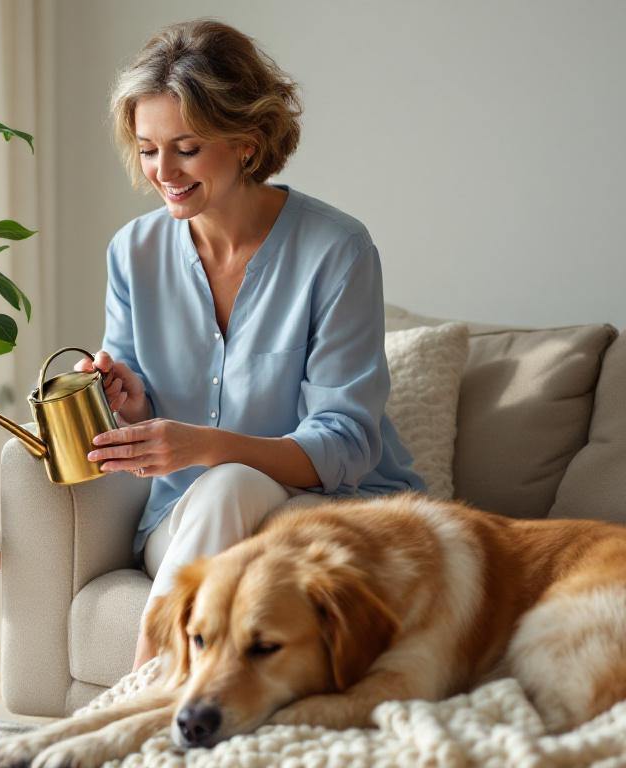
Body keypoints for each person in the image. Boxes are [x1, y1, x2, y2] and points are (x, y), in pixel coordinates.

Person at [73, 20, 426, 671]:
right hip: (186, 522)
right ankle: (164, 680)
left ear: (246, 141)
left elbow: (347, 442)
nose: (163, 172)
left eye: (186, 147)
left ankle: (151, 675)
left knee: (232, 477)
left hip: (321, 517)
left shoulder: (336, 250)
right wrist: (129, 401)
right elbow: (143, 410)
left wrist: (208, 446)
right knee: (226, 485)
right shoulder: (133, 252)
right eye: (148, 149)